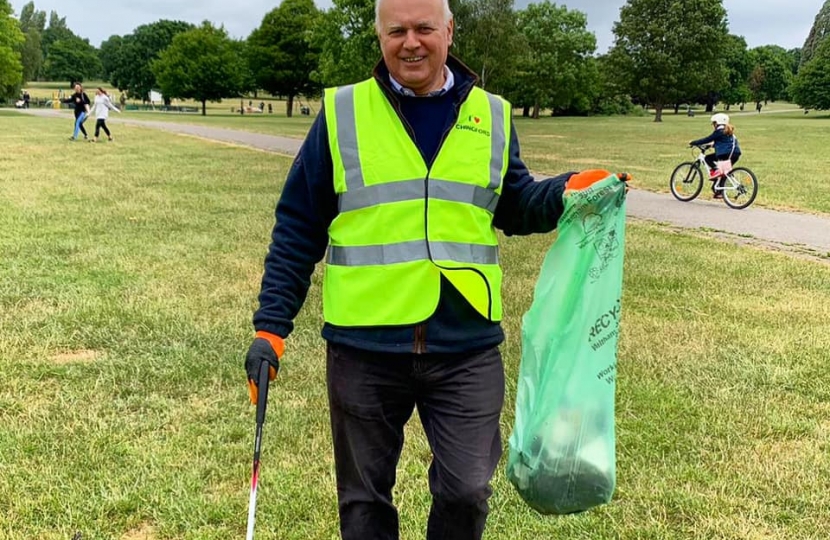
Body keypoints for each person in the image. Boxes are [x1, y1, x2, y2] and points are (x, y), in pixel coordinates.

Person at [243, 0, 629, 539]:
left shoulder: (491, 114)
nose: (411, 42)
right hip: (364, 347)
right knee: (363, 503)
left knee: (467, 491)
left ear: (449, 30)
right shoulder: (342, 114)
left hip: (465, 347)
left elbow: (513, 203)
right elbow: (297, 227)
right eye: (396, 30)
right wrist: (271, 329)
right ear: (379, 36)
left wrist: (566, 191)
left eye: (424, 27)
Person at [689, 112, 741, 199]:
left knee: (707, 158)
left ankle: (715, 172)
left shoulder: (719, 131)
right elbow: (723, 142)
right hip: (735, 153)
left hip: (726, 153)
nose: (713, 125)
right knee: (725, 172)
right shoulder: (727, 130)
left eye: (714, 123)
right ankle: (719, 191)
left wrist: (694, 142)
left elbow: (707, 139)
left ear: (717, 123)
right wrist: (711, 145)